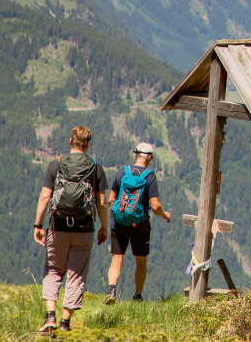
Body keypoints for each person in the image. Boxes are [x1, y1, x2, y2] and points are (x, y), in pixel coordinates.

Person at [33, 126, 108, 333]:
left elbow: (45, 197)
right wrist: (103, 227)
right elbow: (102, 203)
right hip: (84, 229)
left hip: (58, 226)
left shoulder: (55, 165)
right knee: (77, 273)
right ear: (88, 144)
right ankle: (65, 322)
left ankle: (50, 316)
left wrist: (38, 225)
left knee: (53, 269)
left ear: (70, 141)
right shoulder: (96, 168)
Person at [105, 142, 171, 304]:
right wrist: (165, 215)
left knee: (116, 259)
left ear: (136, 155)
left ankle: (111, 291)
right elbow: (155, 206)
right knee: (141, 261)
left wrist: (116, 217)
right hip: (140, 226)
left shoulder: (122, 172)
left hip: (119, 223)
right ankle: (137, 296)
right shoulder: (149, 176)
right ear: (149, 157)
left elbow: (111, 199)